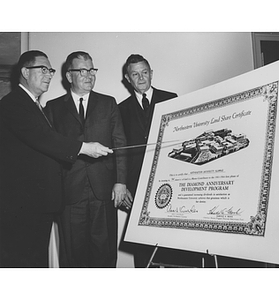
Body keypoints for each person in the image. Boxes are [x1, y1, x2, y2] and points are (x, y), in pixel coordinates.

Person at [0, 50, 112, 267]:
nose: (49, 75)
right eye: (43, 69)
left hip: (37, 204)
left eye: (50, 70)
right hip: (24, 206)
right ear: (25, 72)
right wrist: (85, 148)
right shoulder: (13, 104)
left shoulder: (34, 105)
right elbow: (44, 138)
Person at [45, 51, 132, 267]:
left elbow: (120, 144)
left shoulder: (108, 103)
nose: (89, 75)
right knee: (73, 257)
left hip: (103, 193)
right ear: (69, 76)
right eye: (82, 71)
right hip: (70, 193)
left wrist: (121, 182)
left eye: (92, 70)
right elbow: (49, 151)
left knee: (104, 254)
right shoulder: (53, 108)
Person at [118, 54, 178, 267]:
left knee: (172, 247)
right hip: (136, 186)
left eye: (145, 72)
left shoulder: (172, 99)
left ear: (151, 74)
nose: (141, 77)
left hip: (171, 182)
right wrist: (122, 185)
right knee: (143, 250)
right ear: (128, 78)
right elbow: (120, 151)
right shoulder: (120, 109)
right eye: (135, 74)